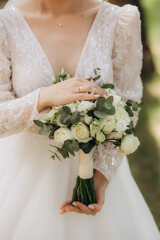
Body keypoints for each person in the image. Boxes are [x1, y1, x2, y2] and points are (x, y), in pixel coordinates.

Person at [0, 0, 159, 239]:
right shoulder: (5, 23)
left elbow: (128, 101)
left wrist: (103, 174)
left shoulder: (119, 21)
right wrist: (43, 97)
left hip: (94, 174)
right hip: (21, 176)